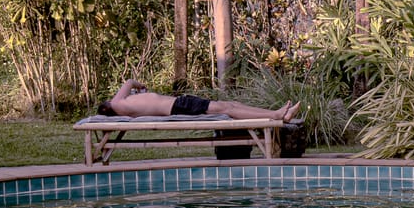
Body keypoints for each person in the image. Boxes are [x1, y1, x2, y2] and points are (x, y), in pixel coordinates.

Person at [95, 78, 300, 124]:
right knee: (228, 109)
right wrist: (139, 86)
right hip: (179, 107)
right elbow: (129, 81)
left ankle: (275, 113)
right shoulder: (118, 104)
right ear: (108, 106)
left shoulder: (124, 107)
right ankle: (275, 115)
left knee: (231, 106)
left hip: (180, 103)